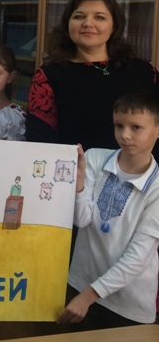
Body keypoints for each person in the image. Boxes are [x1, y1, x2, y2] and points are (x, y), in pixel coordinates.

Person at [57, 91, 159, 330]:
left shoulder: (156, 187)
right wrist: (78, 186)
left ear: (157, 130)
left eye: (136, 127)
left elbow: (139, 257)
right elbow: (82, 220)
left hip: (127, 304)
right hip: (81, 283)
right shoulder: (95, 158)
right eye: (119, 125)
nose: (125, 135)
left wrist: (89, 295)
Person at [26, 0, 159, 157]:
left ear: (114, 26)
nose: (87, 23)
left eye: (99, 17)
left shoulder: (144, 72)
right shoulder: (49, 75)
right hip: (75, 171)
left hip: (141, 171)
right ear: (68, 24)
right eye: (79, 16)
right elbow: (39, 141)